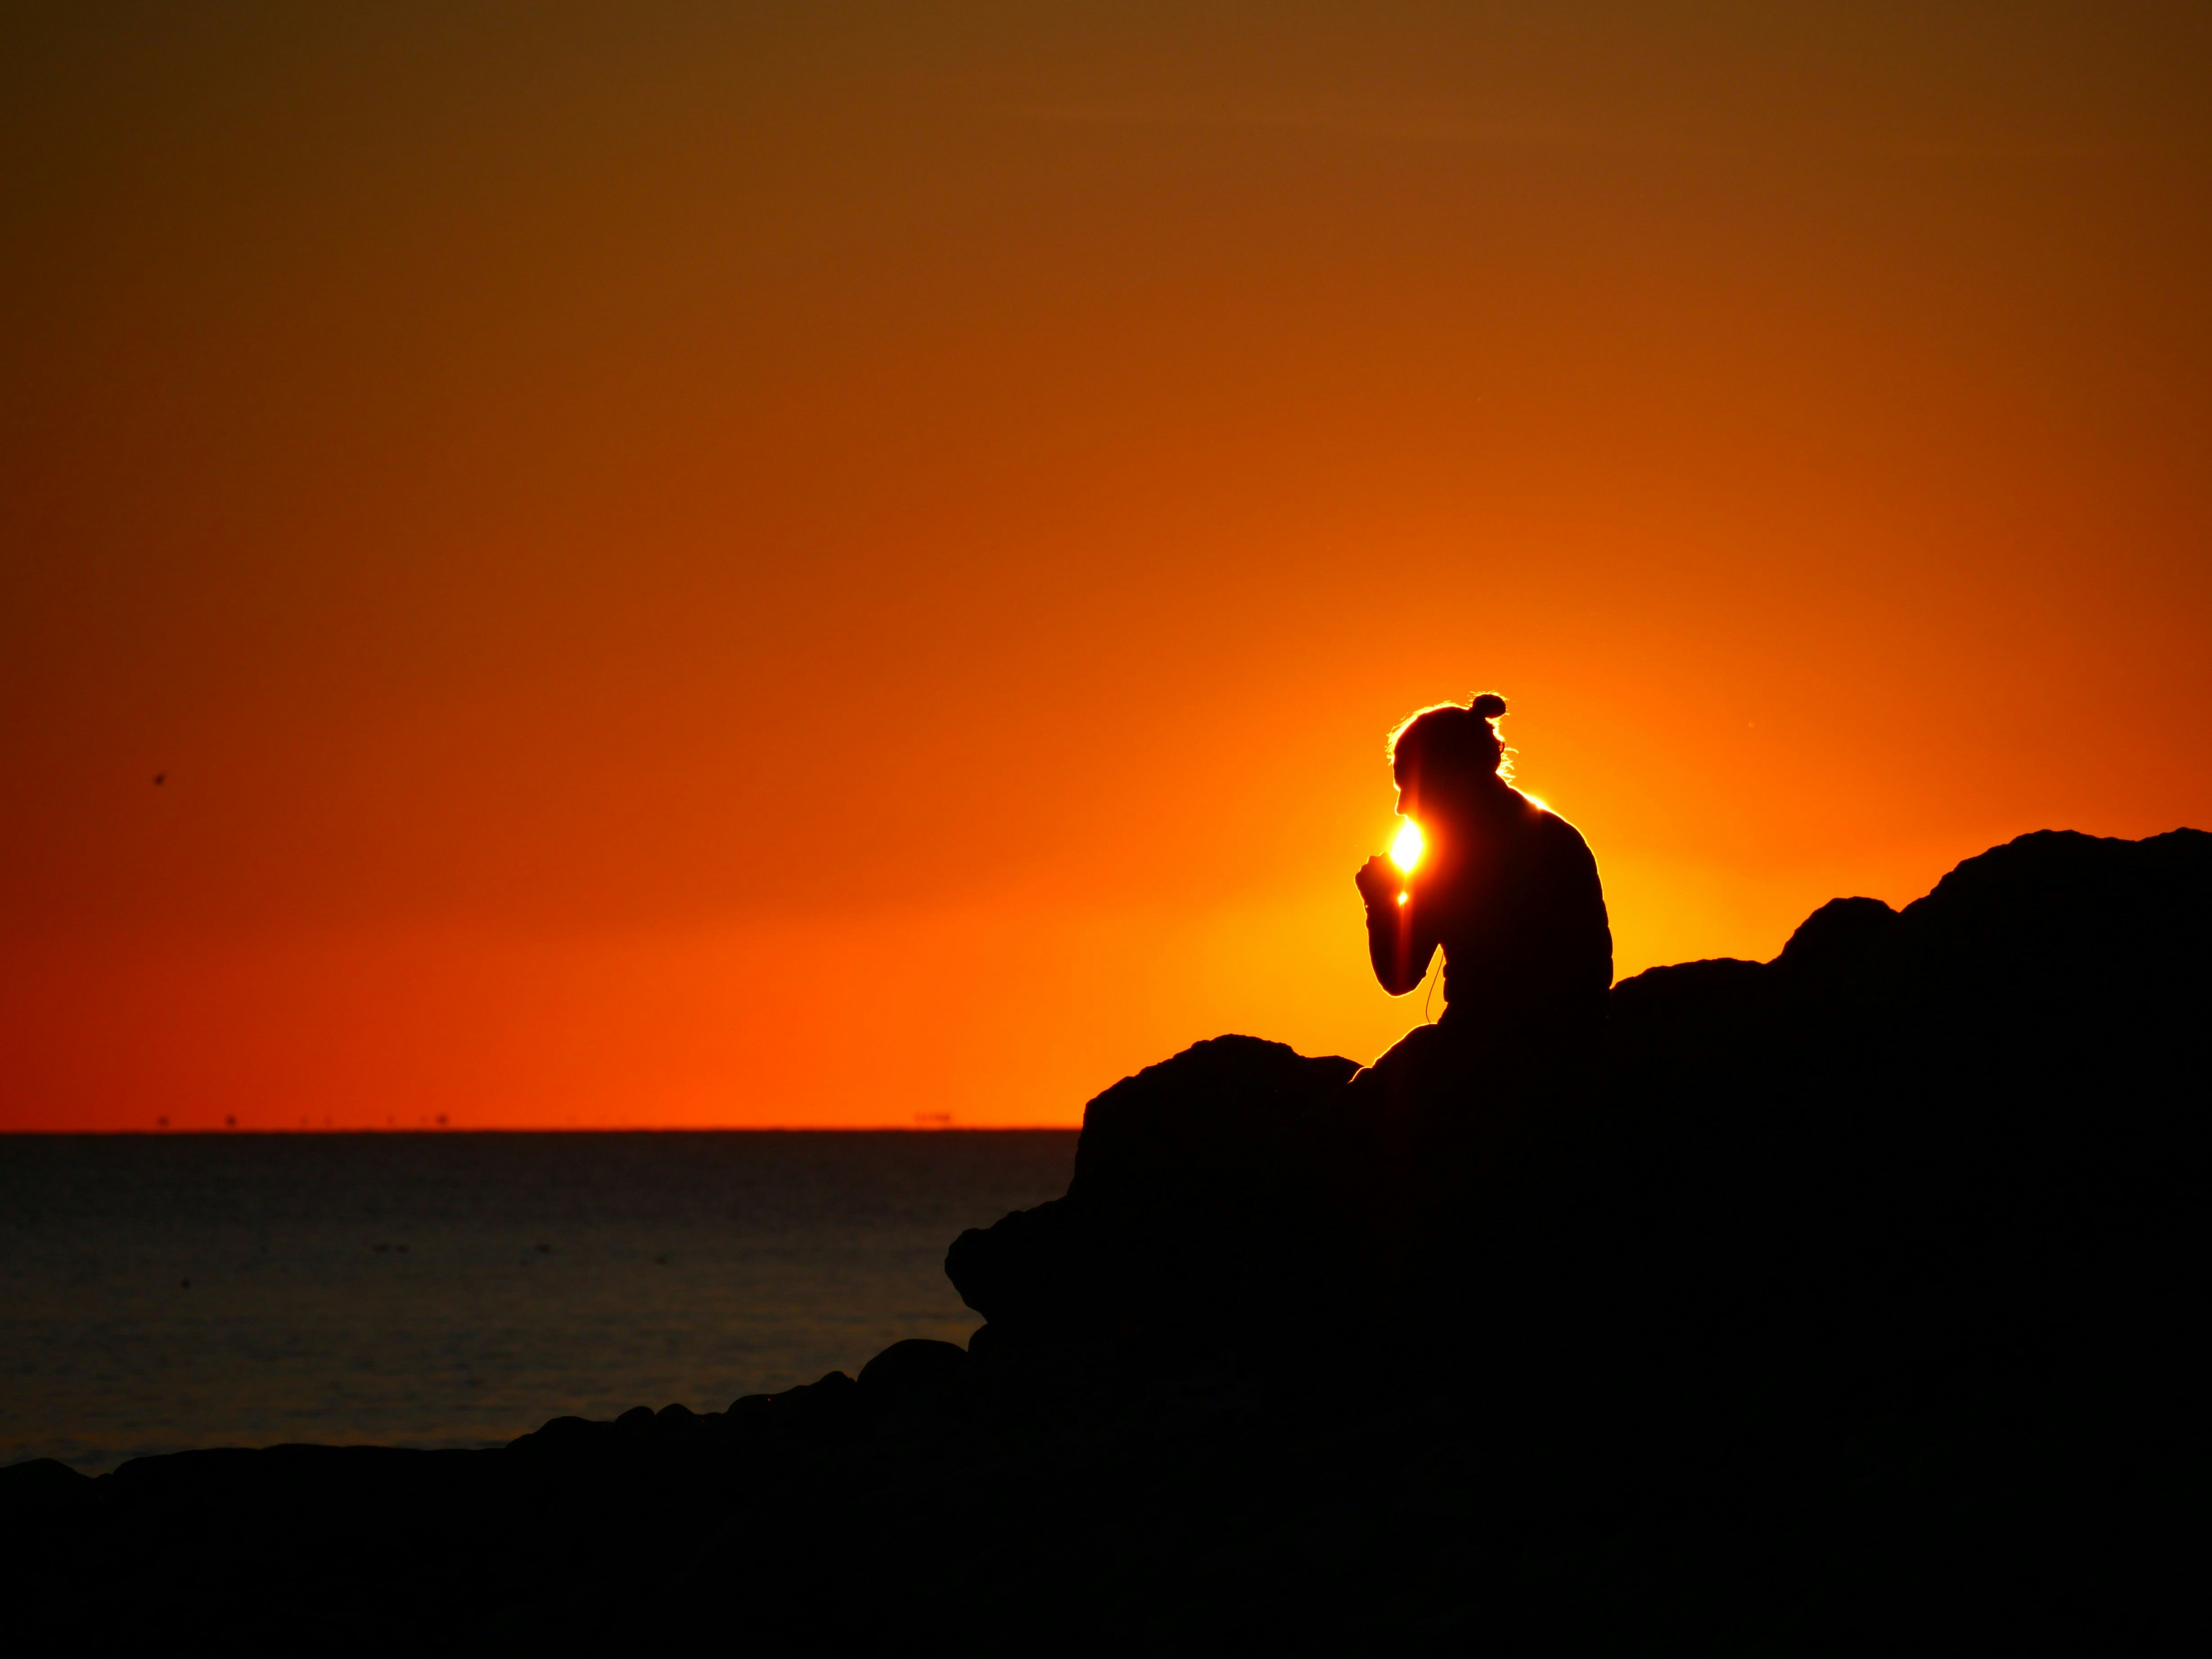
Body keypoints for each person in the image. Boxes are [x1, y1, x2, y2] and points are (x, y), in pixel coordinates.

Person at [1348, 693, 1612, 1122]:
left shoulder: (1450, 852)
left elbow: (1399, 977)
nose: (1399, 808)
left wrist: (1378, 902)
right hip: (1576, 1031)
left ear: (1443, 776)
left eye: (1406, 789)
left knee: (1355, 1113)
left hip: (1485, 1046)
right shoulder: (1557, 833)